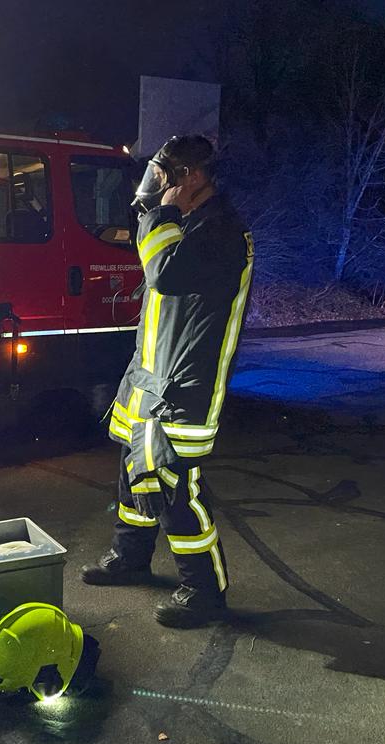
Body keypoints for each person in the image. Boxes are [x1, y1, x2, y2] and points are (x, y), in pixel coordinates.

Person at [81, 135, 255, 628]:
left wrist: (157, 214)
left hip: (185, 386)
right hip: (151, 377)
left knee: (178, 490)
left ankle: (204, 591)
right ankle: (130, 557)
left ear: (191, 177)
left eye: (162, 175)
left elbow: (164, 276)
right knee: (134, 473)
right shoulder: (193, 221)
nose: (154, 184)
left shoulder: (219, 231)